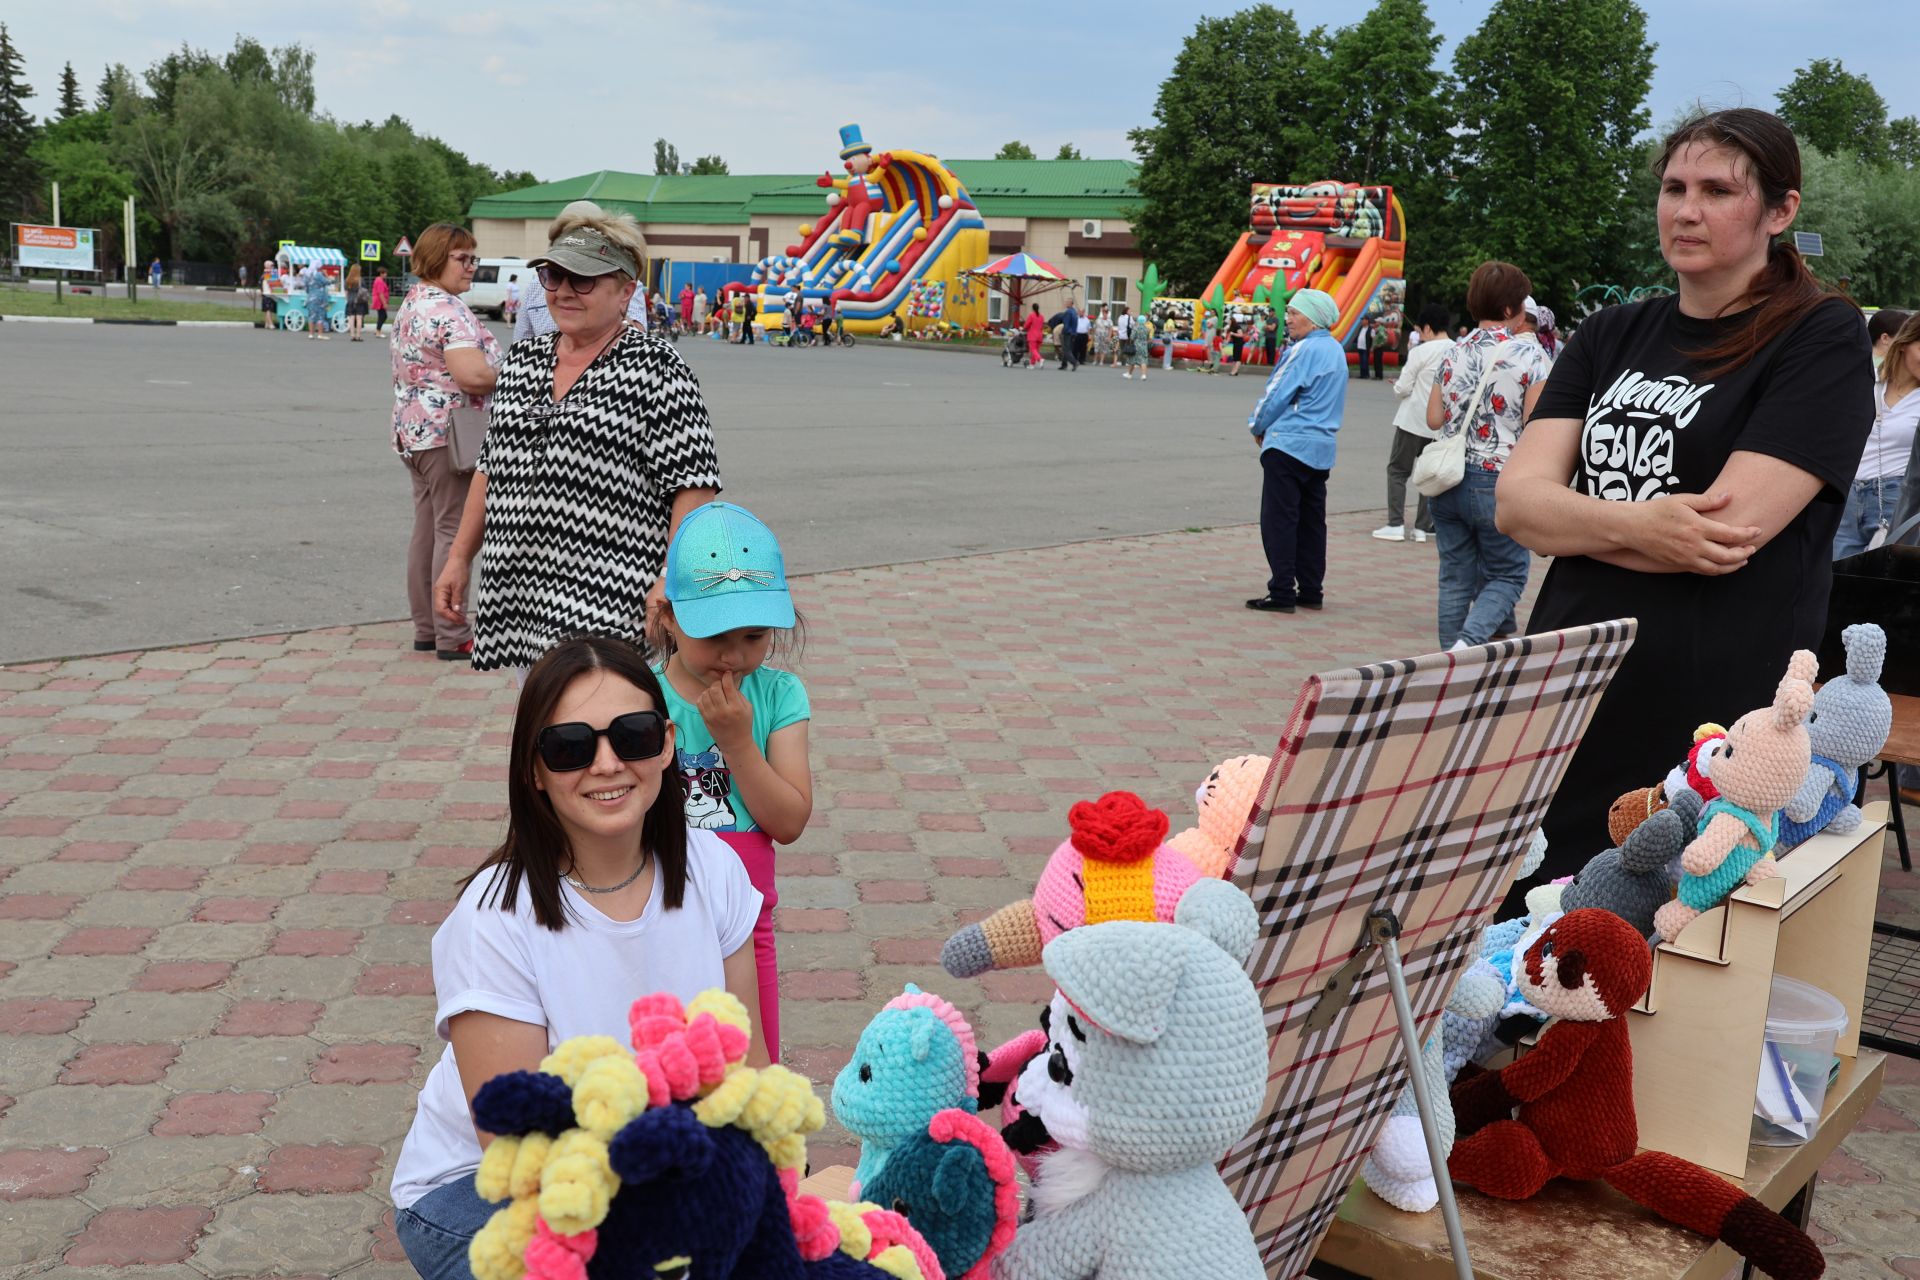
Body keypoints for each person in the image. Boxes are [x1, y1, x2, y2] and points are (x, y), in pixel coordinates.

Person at [1495, 107, 1874, 890]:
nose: (1686, 209)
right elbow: (1516, 507)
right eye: (1673, 186)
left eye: (1717, 190)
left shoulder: (1819, 336)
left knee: (1667, 943)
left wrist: (1575, 525)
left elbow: (1723, 534)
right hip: (1571, 689)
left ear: (1780, 211)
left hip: (1712, 720)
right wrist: (1642, 523)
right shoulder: (1610, 333)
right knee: (1537, 927)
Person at [389, 636, 768, 1278]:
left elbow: (749, 1068)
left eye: (634, 735)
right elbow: (522, 1152)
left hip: (667, 1164)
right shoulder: (494, 916)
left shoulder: (717, 870)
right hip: (482, 1192)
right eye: (570, 746)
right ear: (534, 769)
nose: (607, 764)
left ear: (669, 741)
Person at [434, 207, 721, 676]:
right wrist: (459, 558)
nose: (564, 290)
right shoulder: (524, 359)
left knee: (598, 732)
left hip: (607, 599)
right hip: (521, 592)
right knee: (548, 731)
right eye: (554, 276)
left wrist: (671, 579)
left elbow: (693, 486)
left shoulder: (656, 367)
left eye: (584, 280)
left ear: (627, 290)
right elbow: (491, 468)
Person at [652, 502, 812, 1062]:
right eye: (714, 634)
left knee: (752, 1058)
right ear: (668, 617)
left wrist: (739, 742)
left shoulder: (778, 696)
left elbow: (788, 821)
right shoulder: (640, 697)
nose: (734, 655)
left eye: (752, 635)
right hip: (658, 906)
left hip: (748, 920)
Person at [1425, 261, 1553, 651]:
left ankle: (1448, 656)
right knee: (1508, 575)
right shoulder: (1531, 357)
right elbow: (1535, 424)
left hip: (1446, 479)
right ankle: (1465, 647)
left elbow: (1433, 419)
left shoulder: (1449, 352)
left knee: (1455, 575)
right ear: (1513, 309)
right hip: (1496, 479)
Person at [392, 223, 502, 662]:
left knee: (427, 528)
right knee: (453, 532)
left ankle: (426, 626)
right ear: (437, 257)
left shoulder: (413, 302)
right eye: (462, 258)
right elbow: (472, 375)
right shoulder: (449, 310)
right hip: (450, 436)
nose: (471, 267)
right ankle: (452, 633)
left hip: (414, 434)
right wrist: (514, 374)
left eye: (473, 258)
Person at [1246, 289, 1348, 614]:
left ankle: (1281, 591)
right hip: (1321, 448)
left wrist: (1257, 425)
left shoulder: (1303, 350)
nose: (1287, 319)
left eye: (1294, 313)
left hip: (1289, 443)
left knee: (1280, 519)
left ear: (1313, 317)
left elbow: (1277, 392)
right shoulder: (1336, 350)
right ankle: (1310, 589)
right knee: (1311, 521)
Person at [1834, 311, 1919, 558]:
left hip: (1895, 494)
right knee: (1837, 576)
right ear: (1904, 344)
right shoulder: (1868, 383)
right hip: (1848, 493)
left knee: (1882, 579)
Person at [516, 203, 650, 343]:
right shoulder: (537, 285)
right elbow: (521, 340)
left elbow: (637, 336)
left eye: (583, 279)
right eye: (555, 276)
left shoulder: (620, 280)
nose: (562, 292)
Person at [1376, 303, 1452, 543]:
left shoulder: (1421, 351)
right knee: (1429, 474)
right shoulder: (1458, 350)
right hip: (1440, 426)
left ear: (1428, 328)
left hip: (1412, 421)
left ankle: (1395, 524)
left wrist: (1398, 385)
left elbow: (1403, 387)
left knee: (1398, 471)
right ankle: (1422, 526)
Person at [1869, 309, 1910, 375]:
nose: (1909, 341)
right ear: (1885, 338)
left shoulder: (1857, 360)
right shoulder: (1891, 369)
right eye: (1905, 336)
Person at [303, 261, 332, 340]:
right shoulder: (318, 274)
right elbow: (328, 282)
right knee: (320, 315)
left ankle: (311, 334)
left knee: (311, 315)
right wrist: (326, 275)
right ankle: (320, 334)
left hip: (310, 297)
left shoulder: (307, 275)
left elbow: (305, 287)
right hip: (320, 297)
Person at [1048, 300, 1080, 370]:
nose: (1065, 303)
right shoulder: (1074, 312)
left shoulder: (1068, 312)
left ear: (1071, 304)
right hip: (1073, 333)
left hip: (1067, 333)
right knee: (1068, 348)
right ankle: (1064, 364)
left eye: (1067, 302)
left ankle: (1074, 362)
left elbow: (1066, 324)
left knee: (1066, 349)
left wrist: (1063, 332)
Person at [1126, 312, 1152, 381]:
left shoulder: (1135, 328)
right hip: (1144, 345)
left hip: (1136, 345)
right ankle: (1143, 375)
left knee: (1133, 360)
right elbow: (1148, 338)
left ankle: (1129, 374)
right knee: (1143, 361)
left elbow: (1132, 337)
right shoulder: (1147, 329)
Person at [1023, 302, 1045, 369]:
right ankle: (1032, 365)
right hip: (1040, 335)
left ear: (1032, 308)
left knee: (1033, 350)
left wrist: (1023, 328)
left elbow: (1027, 325)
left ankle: (1040, 359)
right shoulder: (1041, 316)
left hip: (1033, 335)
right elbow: (1041, 326)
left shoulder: (1031, 315)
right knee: (1036, 351)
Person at [371, 267, 391, 338]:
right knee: (383, 316)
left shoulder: (379, 280)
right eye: (385, 273)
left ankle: (377, 330)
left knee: (381, 316)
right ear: (381, 273)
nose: (386, 274)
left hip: (379, 301)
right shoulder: (379, 281)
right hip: (379, 302)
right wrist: (384, 303)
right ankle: (378, 332)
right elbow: (380, 293)